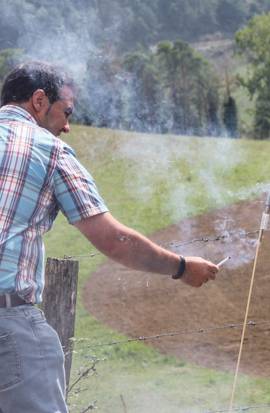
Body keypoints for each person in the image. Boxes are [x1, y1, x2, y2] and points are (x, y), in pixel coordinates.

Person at [0, 61, 219, 413]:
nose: (68, 126)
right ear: (39, 101)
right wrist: (181, 266)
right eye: (65, 112)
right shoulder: (49, 150)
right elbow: (114, 240)